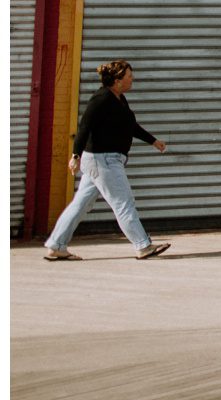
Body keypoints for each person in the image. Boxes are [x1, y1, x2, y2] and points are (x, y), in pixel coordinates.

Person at [43, 59, 171, 262]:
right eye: (129, 76)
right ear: (118, 79)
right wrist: (75, 155)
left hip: (104, 161)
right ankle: (143, 245)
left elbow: (131, 125)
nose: (132, 80)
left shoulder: (119, 99)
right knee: (123, 202)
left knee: (80, 205)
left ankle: (56, 246)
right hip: (103, 160)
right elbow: (84, 128)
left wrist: (153, 141)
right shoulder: (101, 99)